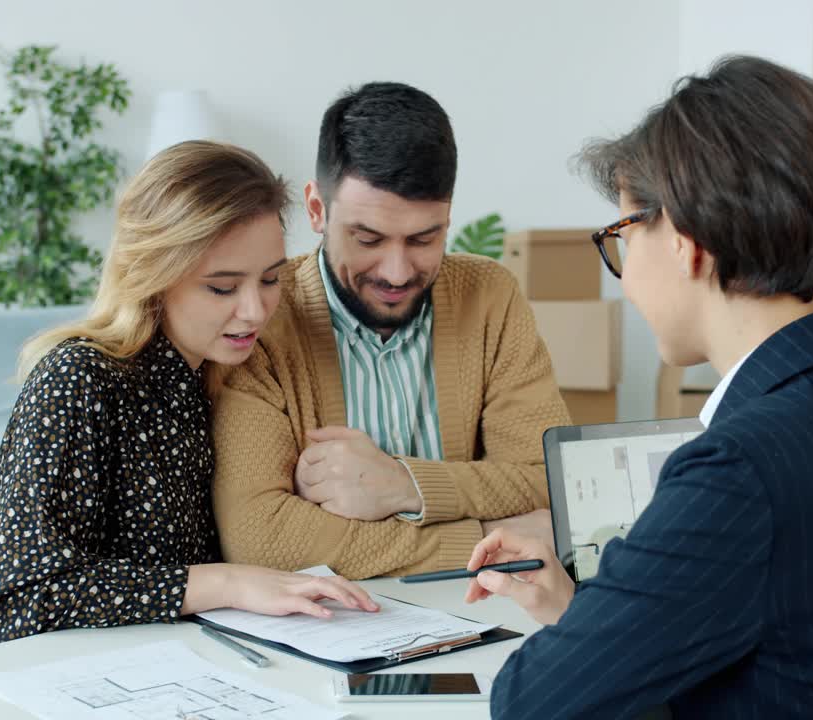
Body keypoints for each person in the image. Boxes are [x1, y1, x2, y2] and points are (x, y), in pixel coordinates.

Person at [465, 56, 813, 718]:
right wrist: (600, 613)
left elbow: (535, 701)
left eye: (623, 233)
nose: (624, 271)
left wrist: (608, 609)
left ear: (686, 240)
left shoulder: (738, 466)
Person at [0, 141, 378, 654]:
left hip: (171, 674)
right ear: (153, 276)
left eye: (270, 279)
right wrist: (226, 581)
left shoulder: (220, 375)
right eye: (221, 288)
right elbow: (22, 600)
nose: (256, 310)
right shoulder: (80, 379)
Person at [211, 82, 570, 579]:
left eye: (425, 238)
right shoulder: (262, 318)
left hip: (486, 612)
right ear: (317, 211)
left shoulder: (489, 296)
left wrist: (406, 484)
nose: (397, 272)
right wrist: (487, 540)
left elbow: (547, 478)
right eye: (368, 239)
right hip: (329, 630)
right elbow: (262, 537)